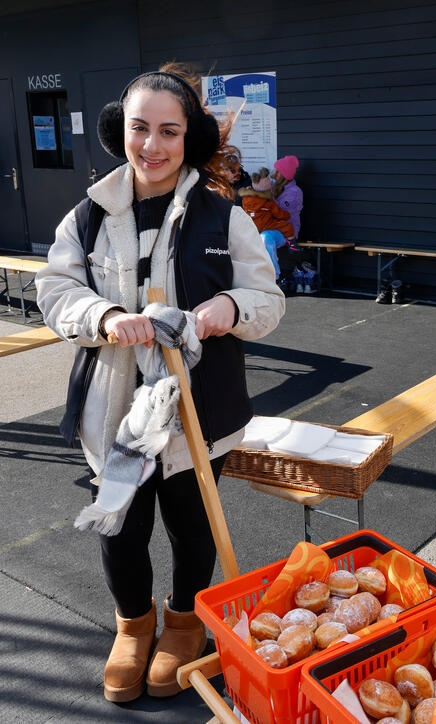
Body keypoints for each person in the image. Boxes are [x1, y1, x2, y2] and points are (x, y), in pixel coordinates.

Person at [36, 64, 284, 703]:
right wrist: (107, 317)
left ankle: (181, 627)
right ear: (122, 130)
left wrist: (230, 307)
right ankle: (132, 626)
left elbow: (267, 297)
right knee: (122, 525)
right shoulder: (88, 216)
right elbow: (56, 289)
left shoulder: (224, 218)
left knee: (192, 527)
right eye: (139, 128)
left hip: (202, 410)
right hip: (116, 409)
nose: (152, 145)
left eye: (168, 131)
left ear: (188, 137)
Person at [240, 167, 295, 239]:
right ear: (267, 188)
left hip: (251, 226)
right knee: (287, 226)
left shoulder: (246, 198)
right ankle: (292, 246)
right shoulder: (267, 200)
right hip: (265, 225)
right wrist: (287, 215)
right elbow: (278, 214)